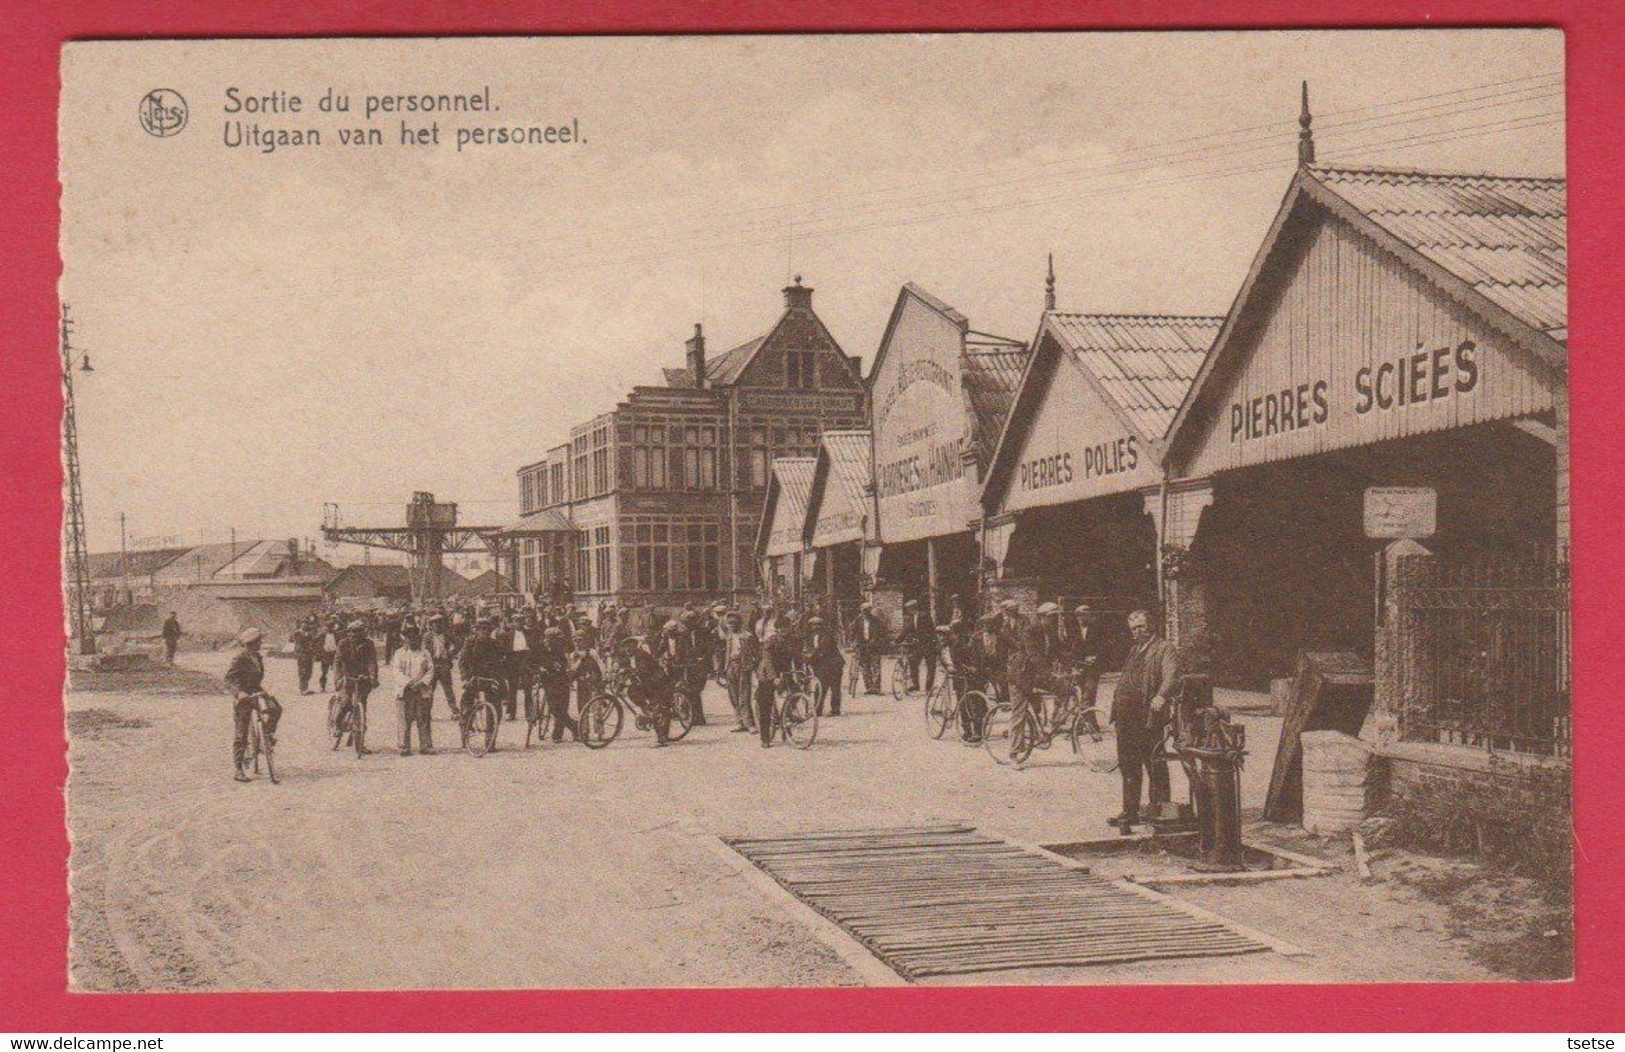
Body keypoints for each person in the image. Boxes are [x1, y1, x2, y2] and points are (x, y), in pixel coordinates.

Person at [1110, 609, 1179, 834]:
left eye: (1141, 627)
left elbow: (1171, 676)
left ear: (1151, 627)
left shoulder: (1164, 648)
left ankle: (1159, 810)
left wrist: (1161, 696)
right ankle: (1130, 811)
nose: (1136, 632)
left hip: (1147, 715)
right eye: (1133, 629)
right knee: (1128, 764)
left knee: (1154, 762)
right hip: (1125, 715)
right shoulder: (1134, 650)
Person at [225, 628, 280, 782]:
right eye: (258, 642)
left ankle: (267, 735)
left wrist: (264, 692)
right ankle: (238, 769)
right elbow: (229, 679)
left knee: (275, 709)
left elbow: (256, 679)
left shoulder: (257, 657)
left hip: (256, 692)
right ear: (251, 644)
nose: (260, 644)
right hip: (243, 696)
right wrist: (239, 693)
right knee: (241, 732)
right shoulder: (239, 658)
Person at [335, 620, 379, 755]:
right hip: (347, 677)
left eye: (358, 632)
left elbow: (372, 661)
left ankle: (360, 743)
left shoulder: (369, 644)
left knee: (361, 710)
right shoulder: (343, 644)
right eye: (352, 632)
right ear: (349, 632)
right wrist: (338, 679)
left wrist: (372, 676)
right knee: (346, 702)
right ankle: (338, 725)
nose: (354, 635)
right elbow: (337, 662)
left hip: (362, 679)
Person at [754, 615, 797, 748]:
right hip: (768, 674)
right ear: (777, 630)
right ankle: (765, 737)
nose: (785, 631)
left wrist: (801, 675)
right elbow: (768, 660)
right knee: (765, 705)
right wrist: (774, 678)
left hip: (784, 672)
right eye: (782, 629)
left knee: (796, 693)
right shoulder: (770, 641)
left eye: (787, 628)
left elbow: (797, 658)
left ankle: (786, 717)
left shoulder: (792, 640)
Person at [392, 625, 436, 756]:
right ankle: (404, 746)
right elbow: (396, 671)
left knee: (423, 718)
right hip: (405, 690)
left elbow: (430, 669)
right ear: (405, 640)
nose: (413, 641)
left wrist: (421, 683)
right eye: (409, 639)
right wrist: (408, 683)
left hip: (421, 689)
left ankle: (426, 745)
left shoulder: (425, 653)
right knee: (405, 719)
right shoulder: (399, 653)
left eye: (416, 638)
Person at [721, 612, 760, 733]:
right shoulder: (728, 636)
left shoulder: (747, 636)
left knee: (744, 695)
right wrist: (724, 668)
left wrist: (755, 667)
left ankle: (749, 723)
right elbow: (726, 652)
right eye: (729, 623)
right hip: (730, 667)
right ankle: (739, 722)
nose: (732, 625)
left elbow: (756, 653)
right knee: (733, 696)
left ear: (739, 623)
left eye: (734, 623)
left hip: (743, 667)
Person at [537, 626, 577, 743]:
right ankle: (574, 727)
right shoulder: (541, 648)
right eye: (557, 639)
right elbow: (534, 661)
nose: (559, 642)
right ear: (550, 639)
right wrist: (540, 668)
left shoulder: (561, 649)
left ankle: (557, 734)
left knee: (562, 708)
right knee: (555, 709)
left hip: (561, 681)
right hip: (548, 682)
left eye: (560, 639)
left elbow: (562, 665)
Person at [802, 615, 845, 716]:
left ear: (821, 626)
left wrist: (809, 658)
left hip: (833, 665)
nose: (815, 627)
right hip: (823, 665)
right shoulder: (812, 636)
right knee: (821, 687)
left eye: (817, 625)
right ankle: (818, 710)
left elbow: (822, 651)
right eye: (813, 625)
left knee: (833, 687)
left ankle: (834, 710)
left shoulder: (826, 635)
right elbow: (810, 649)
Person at [899, 599, 937, 693]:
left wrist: (932, 641)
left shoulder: (925, 616)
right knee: (913, 663)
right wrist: (897, 640)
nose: (908, 610)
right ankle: (916, 685)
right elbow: (906, 630)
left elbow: (931, 630)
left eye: (908, 608)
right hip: (918, 646)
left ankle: (928, 687)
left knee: (931, 666)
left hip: (928, 645)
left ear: (913, 608)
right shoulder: (911, 618)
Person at [424, 615, 458, 715]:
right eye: (435, 623)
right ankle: (427, 712)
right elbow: (424, 651)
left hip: (444, 664)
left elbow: (459, 643)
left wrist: (451, 654)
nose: (437, 625)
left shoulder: (447, 635)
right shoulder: (428, 636)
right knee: (430, 689)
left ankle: (454, 710)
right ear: (432, 625)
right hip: (432, 665)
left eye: (439, 622)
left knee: (448, 689)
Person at [852, 602, 884, 695]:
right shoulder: (858, 620)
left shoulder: (876, 620)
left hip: (874, 646)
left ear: (870, 611)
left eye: (867, 611)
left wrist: (876, 640)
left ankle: (877, 688)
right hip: (862, 645)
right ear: (861, 611)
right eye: (863, 611)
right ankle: (869, 687)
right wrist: (853, 642)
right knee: (865, 667)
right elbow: (852, 632)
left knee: (876, 666)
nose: (865, 613)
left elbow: (882, 632)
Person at [292, 617, 317, 694]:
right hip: (302, 654)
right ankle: (302, 689)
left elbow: (313, 642)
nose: (305, 625)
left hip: (309, 654)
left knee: (309, 671)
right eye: (303, 623)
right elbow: (299, 643)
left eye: (306, 623)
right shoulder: (298, 633)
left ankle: (305, 687)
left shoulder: (310, 632)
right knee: (303, 671)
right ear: (301, 624)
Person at [318, 619, 339, 692]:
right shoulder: (322, 635)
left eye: (331, 627)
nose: (330, 628)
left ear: (333, 627)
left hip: (334, 654)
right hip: (325, 655)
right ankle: (322, 686)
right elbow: (317, 644)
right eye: (328, 627)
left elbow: (339, 644)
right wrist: (320, 653)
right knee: (324, 672)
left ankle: (337, 686)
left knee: (337, 671)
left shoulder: (337, 634)